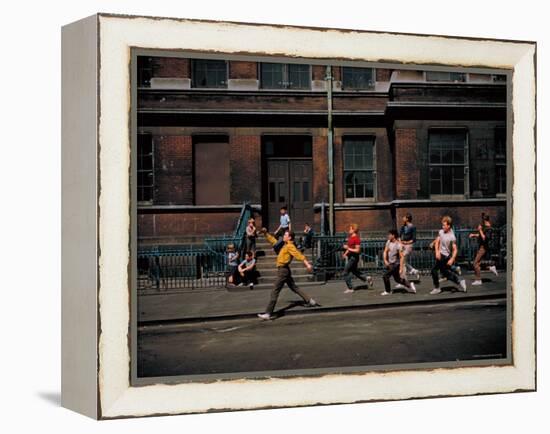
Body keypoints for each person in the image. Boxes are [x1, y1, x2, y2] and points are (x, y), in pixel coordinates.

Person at [257, 227, 318, 320]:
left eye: (285, 235)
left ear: (289, 237)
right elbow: (274, 241)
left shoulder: (290, 246)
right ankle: (310, 301)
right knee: (294, 287)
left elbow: (298, 255)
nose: (283, 236)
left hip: (283, 271)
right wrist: (265, 233)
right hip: (285, 270)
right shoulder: (285, 245)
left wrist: (307, 264)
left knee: (275, 290)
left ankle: (268, 313)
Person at [430, 216, 467, 294]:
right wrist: (436, 251)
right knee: (445, 272)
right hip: (440, 254)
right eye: (442, 225)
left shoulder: (452, 237)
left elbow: (455, 249)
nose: (442, 227)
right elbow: (437, 241)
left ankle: (437, 288)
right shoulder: (441, 231)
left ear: (449, 226)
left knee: (434, 270)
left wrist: (452, 259)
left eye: (444, 225)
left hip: (445, 256)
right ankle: (460, 282)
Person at [381, 229, 416, 296]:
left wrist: (401, 268)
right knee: (397, 279)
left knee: (385, 276)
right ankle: (409, 284)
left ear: (393, 235)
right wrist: (385, 260)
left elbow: (402, 257)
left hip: (396, 264)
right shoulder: (388, 242)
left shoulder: (398, 245)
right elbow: (385, 251)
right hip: (390, 263)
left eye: (389, 234)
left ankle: (388, 291)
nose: (388, 236)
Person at [342, 223, 373, 294]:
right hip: (350, 257)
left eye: (350, 229)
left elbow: (357, 250)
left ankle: (350, 288)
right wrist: (345, 254)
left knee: (345, 272)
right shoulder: (350, 238)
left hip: (354, 258)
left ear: (354, 229)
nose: (349, 230)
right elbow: (349, 248)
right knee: (354, 271)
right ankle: (367, 278)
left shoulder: (356, 238)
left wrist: (348, 248)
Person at [469, 213, 498, 285]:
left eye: (482, 220)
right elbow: (481, 235)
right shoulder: (486, 227)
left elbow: (484, 238)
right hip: (482, 247)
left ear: (485, 220)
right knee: (477, 263)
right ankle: (490, 268)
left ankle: (478, 280)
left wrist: (480, 230)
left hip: (484, 248)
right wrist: (474, 235)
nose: (481, 222)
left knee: (475, 263)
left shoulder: (489, 228)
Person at [398, 213, 420, 280]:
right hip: (403, 245)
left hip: (409, 246)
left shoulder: (413, 227)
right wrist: (400, 242)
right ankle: (414, 271)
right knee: (402, 261)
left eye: (404, 217)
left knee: (403, 261)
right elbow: (399, 236)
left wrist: (406, 242)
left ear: (407, 219)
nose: (403, 219)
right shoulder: (403, 227)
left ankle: (403, 279)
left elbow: (414, 239)